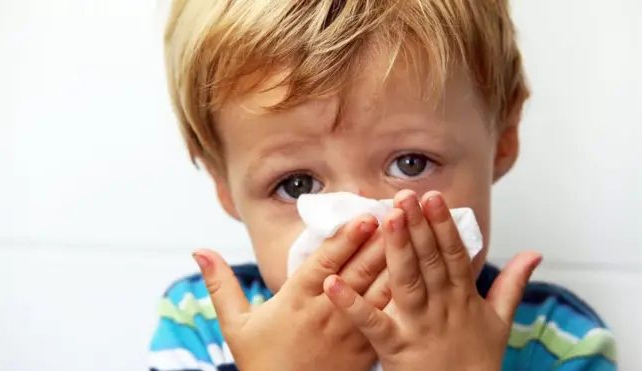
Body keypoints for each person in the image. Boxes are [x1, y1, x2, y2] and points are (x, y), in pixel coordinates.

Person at [149, 0, 617, 370]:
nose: (361, 224)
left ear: (503, 140)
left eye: (411, 164)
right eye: (296, 184)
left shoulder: (558, 343)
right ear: (225, 188)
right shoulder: (200, 332)